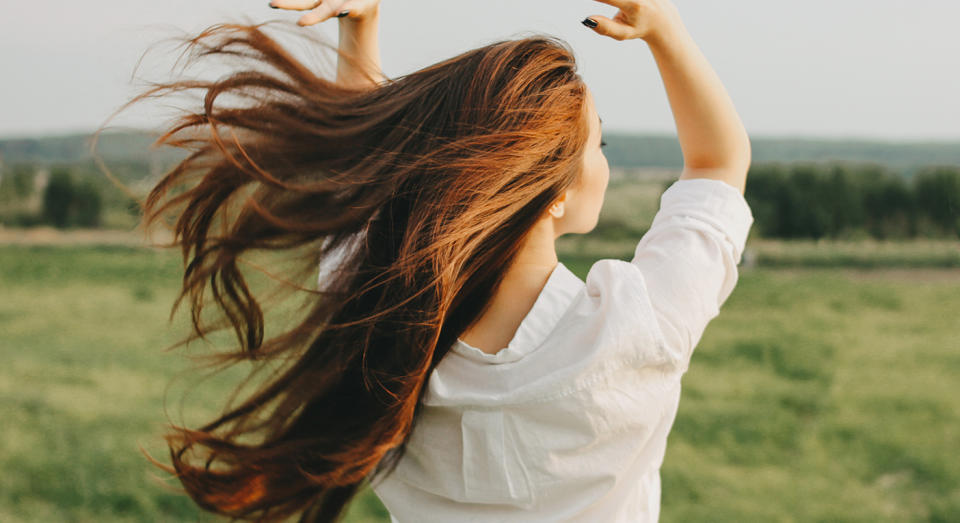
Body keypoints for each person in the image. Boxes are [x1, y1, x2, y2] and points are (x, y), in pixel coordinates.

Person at [133, 0, 752, 521]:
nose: (605, 160)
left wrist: (360, 25)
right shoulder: (638, 327)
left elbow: (364, 184)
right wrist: (665, 29)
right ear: (554, 191)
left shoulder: (376, 318)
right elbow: (717, 165)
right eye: (600, 144)